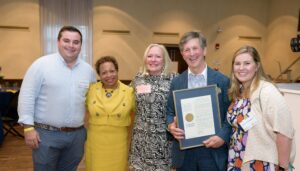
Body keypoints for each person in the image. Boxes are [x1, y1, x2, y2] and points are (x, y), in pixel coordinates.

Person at [18, 26, 96, 171]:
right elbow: (27, 96)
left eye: (76, 42)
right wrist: (28, 128)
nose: (71, 45)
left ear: (80, 45)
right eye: (66, 40)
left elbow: (93, 101)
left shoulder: (88, 71)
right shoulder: (40, 65)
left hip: (76, 136)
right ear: (58, 42)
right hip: (46, 135)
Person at [166, 31, 231, 171]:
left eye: (195, 48)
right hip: (185, 154)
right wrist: (171, 126)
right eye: (186, 50)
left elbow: (230, 116)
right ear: (183, 55)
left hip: (213, 152)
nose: (191, 53)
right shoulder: (176, 82)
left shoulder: (223, 81)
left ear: (204, 50)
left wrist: (222, 137)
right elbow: (169, 112)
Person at [227, 45, 295, 171]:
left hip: (259, 163)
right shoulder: (238, 92)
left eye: (247, 63)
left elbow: (284, 131)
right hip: (236, 159)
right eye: (237, 63)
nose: (241, 68)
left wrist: (283, 166)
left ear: (257, 66)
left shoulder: (267, 91)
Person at [128, 44, 177, 171]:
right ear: (145, 59)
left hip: (163, 139)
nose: (153, 59)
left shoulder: (174, 79)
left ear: (164, 60)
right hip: (141, 138)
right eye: (150, 56)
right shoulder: (138, 79)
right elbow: (124, 97)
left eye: (157, 56)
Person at [85, 56, 135, 171]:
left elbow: (142, 115)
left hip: (117, 145)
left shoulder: (129, 92)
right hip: (95, 144)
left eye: (112, 71)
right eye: (104, 73)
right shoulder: (91, 90)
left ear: (117, 71)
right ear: (99, 75)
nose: (109, 75)